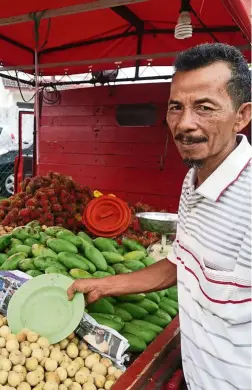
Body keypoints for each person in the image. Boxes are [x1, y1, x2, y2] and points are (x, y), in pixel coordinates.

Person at [68, 43, 252, 390]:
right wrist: (104, 285)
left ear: (241, 115)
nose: (185, 124)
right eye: (175, 107)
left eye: (205, 108)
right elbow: (181, 262)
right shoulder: (193, 180)